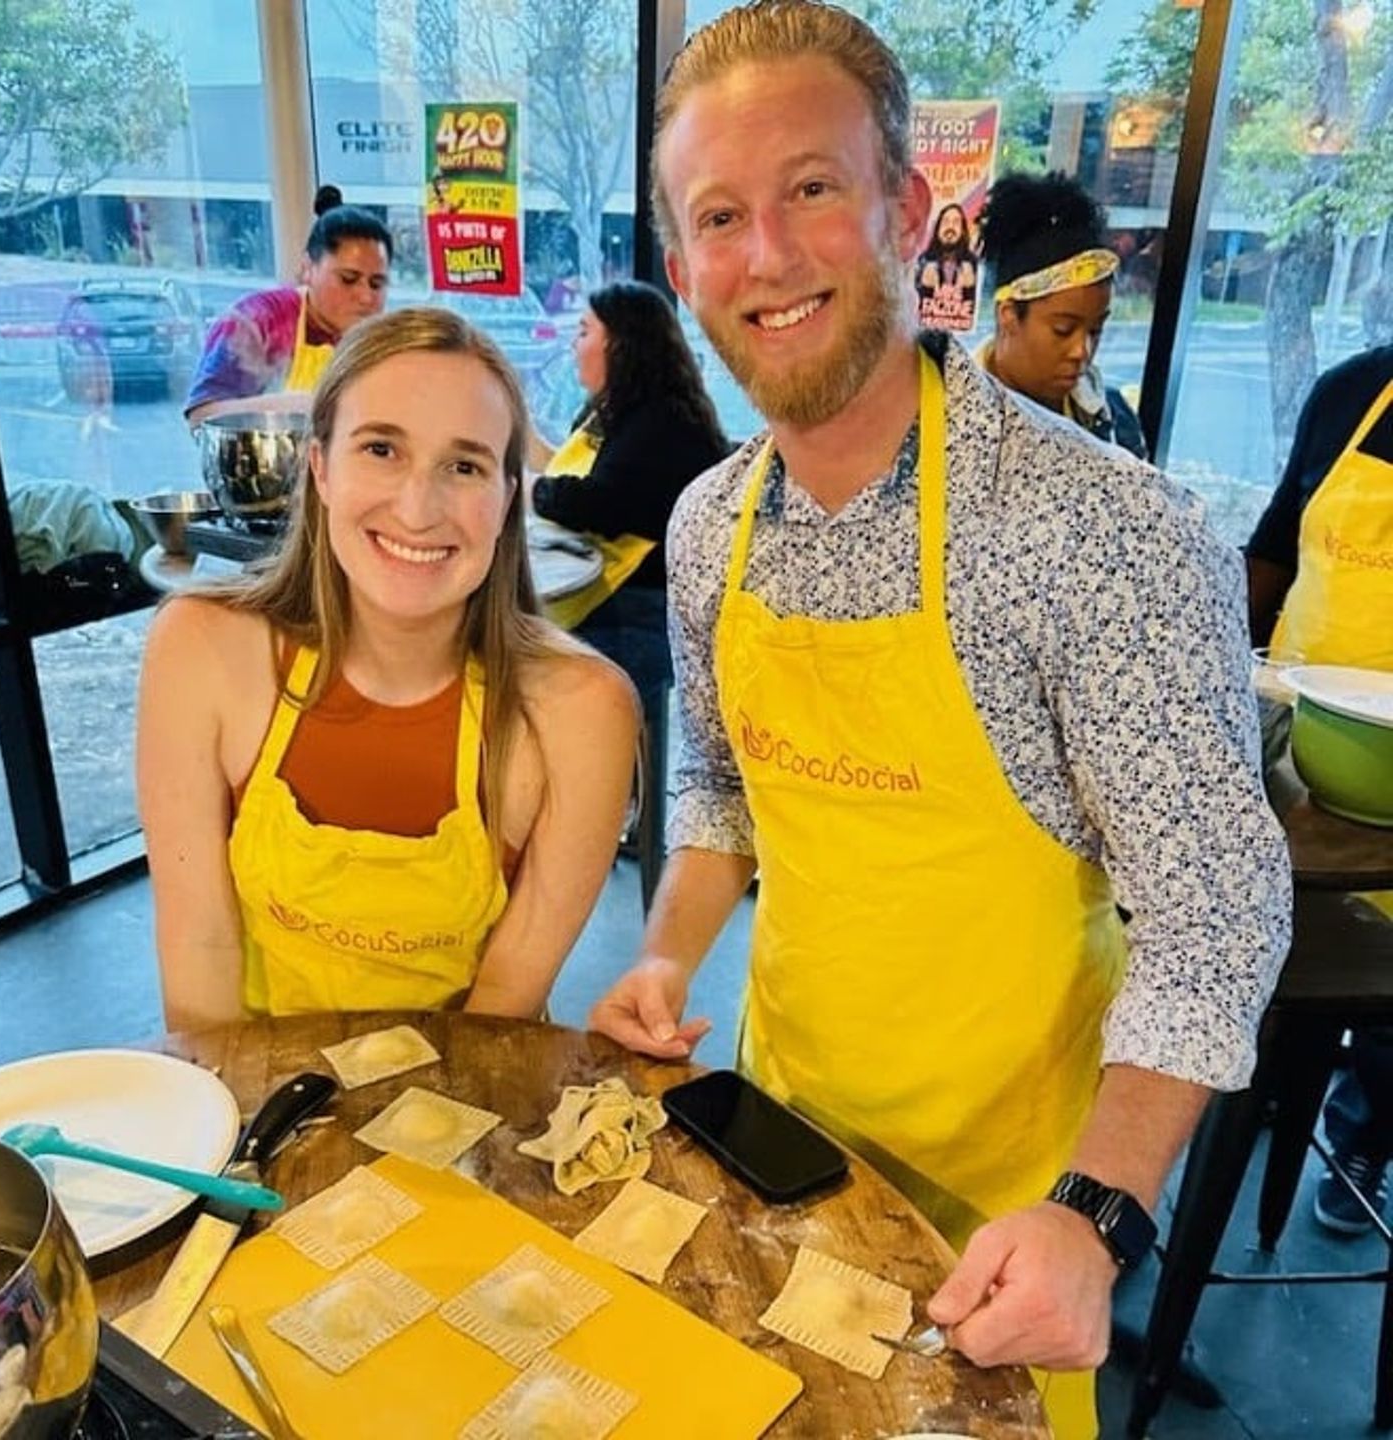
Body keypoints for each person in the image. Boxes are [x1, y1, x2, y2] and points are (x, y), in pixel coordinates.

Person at [587, 5, 1290, 1436]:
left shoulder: (1104, 533)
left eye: (812, 189)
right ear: (682, 269)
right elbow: (722, 790)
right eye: (721, 215)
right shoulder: (709, 523)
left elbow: (1217, 913)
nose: (767, 255)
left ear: (909, 211)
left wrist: (1099, 1213)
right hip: (782, 1141)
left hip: (1016, 1202)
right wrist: (665, 957)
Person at [139, 308, 639, 1032]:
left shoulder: (582, 712)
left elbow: (502, 1009)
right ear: (320, 467)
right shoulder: (200, 651)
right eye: (380, 449)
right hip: (251, 1108)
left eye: (464, 466)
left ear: (506, 501)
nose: (417, 507)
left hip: (465, 1106)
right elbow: (200, 961)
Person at [1247, 342, 1393, 1237]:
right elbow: (1274, 549)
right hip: (1305, 763)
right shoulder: (1351, 392)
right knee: (1250, 952)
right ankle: (1255, 1081)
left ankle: (1365, 1129)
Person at [529, 280, 729, 672]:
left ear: (621, 345)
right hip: (619, 592)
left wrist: (530, 491)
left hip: (640, 608)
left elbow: (595, 503)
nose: (574, 345)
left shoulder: (663, 423)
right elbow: (570, 473)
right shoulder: (614, 409)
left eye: (585, 331)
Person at [185, 185, 393, 425]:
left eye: (377, 284)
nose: (366, 297)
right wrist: (298, 406)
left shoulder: (379, 343)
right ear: (307, 268)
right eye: (348, 279)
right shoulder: (257, 321)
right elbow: (201, 413)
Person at [976, 171, 1148, 458]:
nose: (1082, 351)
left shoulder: (1116, 423)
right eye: (1063, 329)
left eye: (1095, 330)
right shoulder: (948, 415)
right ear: (1008, 316)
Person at [914, 201, 979, 326]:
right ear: (937, 229)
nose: (950, 227)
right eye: (945, 222)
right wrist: (925, 290)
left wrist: (969, 290)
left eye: (956, 222)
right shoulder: (923, 261)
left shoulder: (974, 264)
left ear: (963, 230)